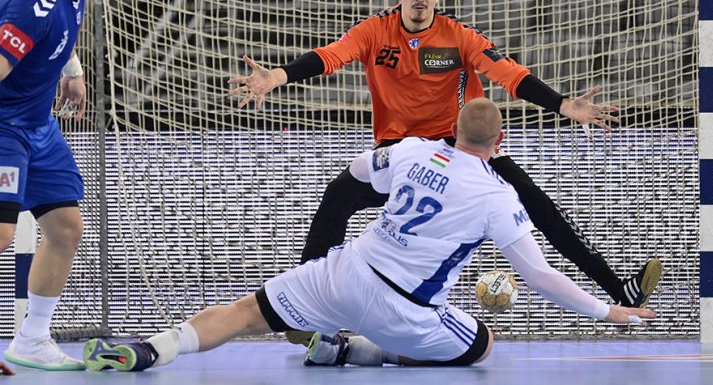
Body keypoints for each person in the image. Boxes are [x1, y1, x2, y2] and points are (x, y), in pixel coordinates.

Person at [228, 0, 661, 322]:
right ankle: (305, 302)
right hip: (401, 153)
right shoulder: (374, 31)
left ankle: (617, 289)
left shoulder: (460, 36)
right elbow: (330, 56)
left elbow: (510, 75)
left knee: (538, 205)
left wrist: (563, 104)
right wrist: (278, 76)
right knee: (337, 196)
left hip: (462, 150)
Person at [82, 98, 655, 372]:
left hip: (345, 269)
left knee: (246, 312)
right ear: (500, 143)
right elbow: (540, 275)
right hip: (405, 310)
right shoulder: (498, 196)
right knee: (481, 347)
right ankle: (355, 350)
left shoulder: (411, 151)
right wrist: (608, 312)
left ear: (453, 132)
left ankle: (150, 349)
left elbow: (355, 175)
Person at [0, 0, 114, 371]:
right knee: (2, 234)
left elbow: (61, 34)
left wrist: (72, 71)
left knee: (66, 228)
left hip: (40, 127)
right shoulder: (30, 3)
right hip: (6, 127)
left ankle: (30, 340)